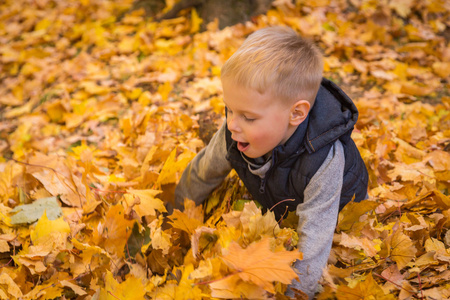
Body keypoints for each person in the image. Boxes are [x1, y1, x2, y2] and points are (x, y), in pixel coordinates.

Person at [174, 26, 368, 298]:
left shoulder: (324, 159)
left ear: (296, 114)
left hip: (336, 213)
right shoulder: (235, 132)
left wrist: (294, 293)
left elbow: (315, 241)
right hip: (281, 195)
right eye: (229, 109)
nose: (232, 124)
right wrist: (175, 212)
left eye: (248, 117)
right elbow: (203, 172)